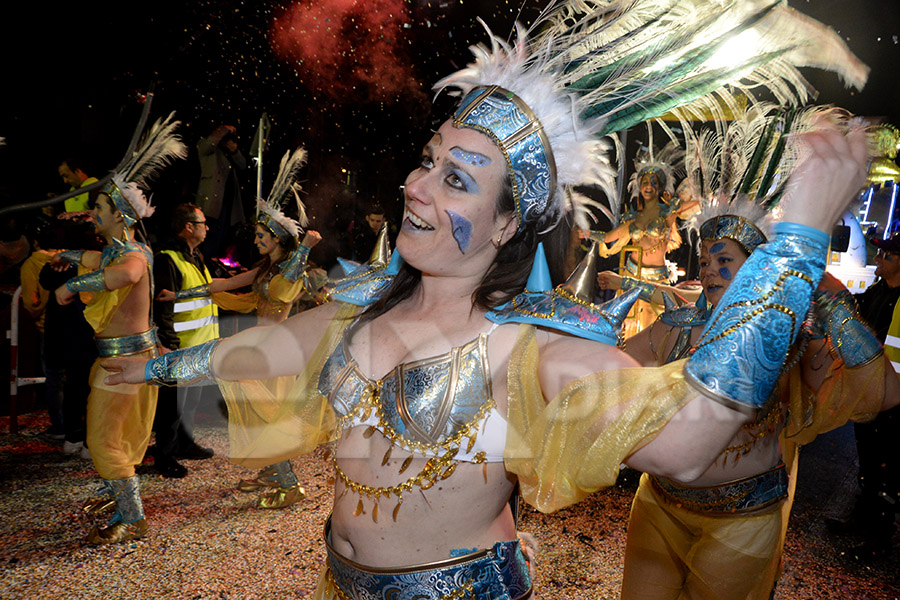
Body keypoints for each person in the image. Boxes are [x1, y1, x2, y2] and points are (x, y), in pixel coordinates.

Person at [104, 2, 869, 595]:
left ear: (507, 225)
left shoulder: (526, 348)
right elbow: (266, 349)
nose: (416, 185)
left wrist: (798, 237)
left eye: (458, 180)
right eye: (428, 161)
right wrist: (151, 367)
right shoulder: (361, 306)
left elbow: (692, 440)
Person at [616, 108, 900, 600]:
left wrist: (829, 305)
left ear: (755, 270)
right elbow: (614, 372)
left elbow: (881, 393)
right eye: (705, 261)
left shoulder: (789, 335)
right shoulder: (678, 324)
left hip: (741, 521)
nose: (709, 271)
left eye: (724, 261)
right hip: (658, 506)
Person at [157, 148, 324, 508]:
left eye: (263, 236)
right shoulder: (264, 269)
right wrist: (179, 294)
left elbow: (285, 289)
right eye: (257, 235)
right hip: (259, 347)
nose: (256, 241)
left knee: (267, 415)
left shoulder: (289, 272)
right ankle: (272, 470)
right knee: (258, 412)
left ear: (279, 240)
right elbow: (221, 286)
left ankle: (290, 483)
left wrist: (305, 249)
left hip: (276, 351)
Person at [51, 114, 186, 544]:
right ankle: (120, 499)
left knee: (103, 438)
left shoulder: (132, 254)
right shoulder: (121, 249)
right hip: (128, 359)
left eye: (100, 209)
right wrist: (70, 256)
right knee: (119, 437)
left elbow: (124, 274)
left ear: (119, 215)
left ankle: (132, 518)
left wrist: (71, 286)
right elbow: (101, 261)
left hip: (124, 364)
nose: (93, 213)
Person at [828, 231, 900, 559]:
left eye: (887, 255)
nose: (879, 258)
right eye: (880, 252)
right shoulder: (878, 290)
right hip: (870, 391)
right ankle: (861, 519)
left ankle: (879, 538)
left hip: (895, 399)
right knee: (869, 460)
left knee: (888, 468)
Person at [592, 141, 698, 335]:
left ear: (660, 186)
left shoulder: (668, 213)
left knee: (653, 330)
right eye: (645, 183)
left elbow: (695, 202)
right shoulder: (633, 217)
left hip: (656, 281)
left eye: (653, 183)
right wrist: (587, 233)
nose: (648, 186)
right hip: (629, 275)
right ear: (639, 186)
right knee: (625, 329)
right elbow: (608, 238)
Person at [151, 203, 219, 478]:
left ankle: (185, 444)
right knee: (172, 405)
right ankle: (164, 456)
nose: (207, 228)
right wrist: (166, 342)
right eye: (203, 223)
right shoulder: (167, 258)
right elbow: (163, 304)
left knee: (190, 400)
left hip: (200, 344)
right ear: (188, 226)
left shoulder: (196, 256)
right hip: (180, 344)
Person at [195, 124, 247, 259]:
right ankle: (205, 264)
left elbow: (243, 165)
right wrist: (224, 129)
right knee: (209, 237)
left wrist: (234, 150)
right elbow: (208, 144)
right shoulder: (208, 149)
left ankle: (215, 264)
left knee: (222, 238)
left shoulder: (229, 152)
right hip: (212, 202)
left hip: (227, 204)